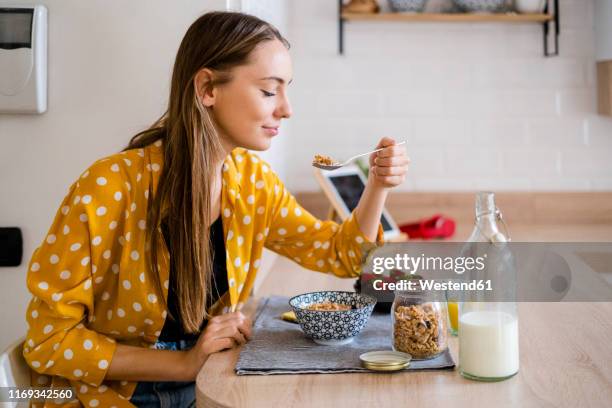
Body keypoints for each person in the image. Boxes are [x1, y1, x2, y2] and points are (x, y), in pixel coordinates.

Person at [22, 11, 409, 408]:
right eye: (269, 91)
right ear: (208, 88)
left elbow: (341, 256)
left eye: (286, 90)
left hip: (211, 381)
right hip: (112, 395)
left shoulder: (254, 184)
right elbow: (50, 340)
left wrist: (378, 185)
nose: (286, 109)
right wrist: (184, 363)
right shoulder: (108, 188)